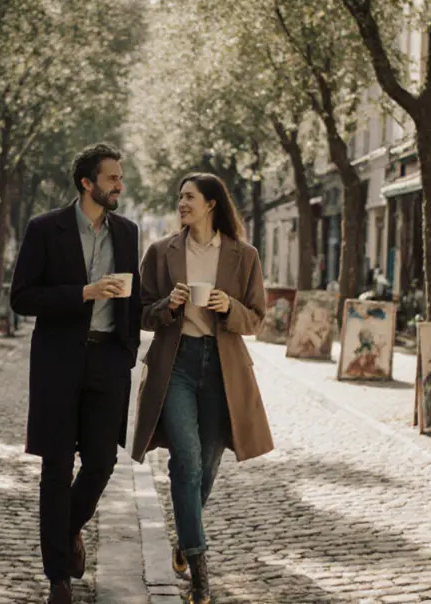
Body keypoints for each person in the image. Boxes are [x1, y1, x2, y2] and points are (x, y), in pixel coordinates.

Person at [131, 173, 274, 604]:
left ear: (211, 204)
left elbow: (256, 318)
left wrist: (229, 306)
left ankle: (184, 538)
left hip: (222, 370)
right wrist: (168, 306)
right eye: (179, 198)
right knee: (186, 463)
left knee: (207, 469)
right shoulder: (161, 253)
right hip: (175, 366)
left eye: (189, 197)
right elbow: (139, 314)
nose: (182, 204)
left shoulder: (243, 256)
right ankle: (199, 568)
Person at [10, 144, 142, 604]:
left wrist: (128, 351)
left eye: (120, 178)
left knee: (103, 462)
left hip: (108, 360)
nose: (119, 185)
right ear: (87, 183)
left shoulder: (127, 233)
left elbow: (135, 298)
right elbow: (22, 298)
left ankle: (66, 532)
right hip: (59, 361)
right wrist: (82, 293)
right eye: (111, 178)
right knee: (55, 468)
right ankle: (58, 578)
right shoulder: (45, 229)